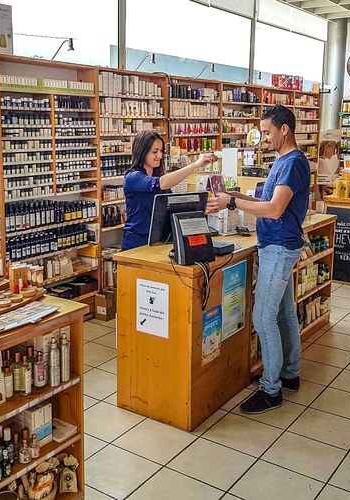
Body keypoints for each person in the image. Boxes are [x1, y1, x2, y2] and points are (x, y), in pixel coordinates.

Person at [207, 105, 310, 414]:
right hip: (277, 244)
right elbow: (266, 202)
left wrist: (234, 201)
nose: (263, 137)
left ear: (284, 130)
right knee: (283, 314)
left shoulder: (292, 162)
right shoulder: (282, 161)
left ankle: (271, 390)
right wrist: (231, 199)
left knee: (262, 318)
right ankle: (289, 374)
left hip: (278, 247)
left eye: (267, 131)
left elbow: (276, 210)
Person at [121, 130, 216, 251]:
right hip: (136, 243)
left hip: (159, 241)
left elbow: (171, 208)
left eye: (161, 151)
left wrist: (199, 209)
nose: (159, 156)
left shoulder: (158, 176)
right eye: (154, 152)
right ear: (142, 151)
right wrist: (195, 165)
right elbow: (162, 184)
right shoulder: (132, 177)